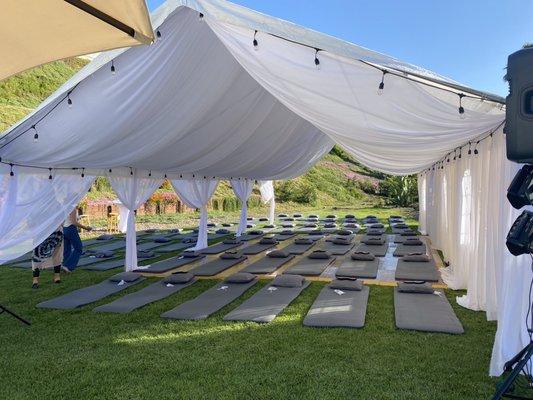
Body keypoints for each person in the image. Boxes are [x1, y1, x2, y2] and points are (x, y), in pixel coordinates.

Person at [62, 207, 92, 272]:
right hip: (71, 229)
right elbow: (74, 222)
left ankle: (64, 265)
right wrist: (86, 228)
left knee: (67, 249)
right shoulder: (72, 208)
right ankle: (68, 266)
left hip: (64, 229)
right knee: (78, 248)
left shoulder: (64, 207)